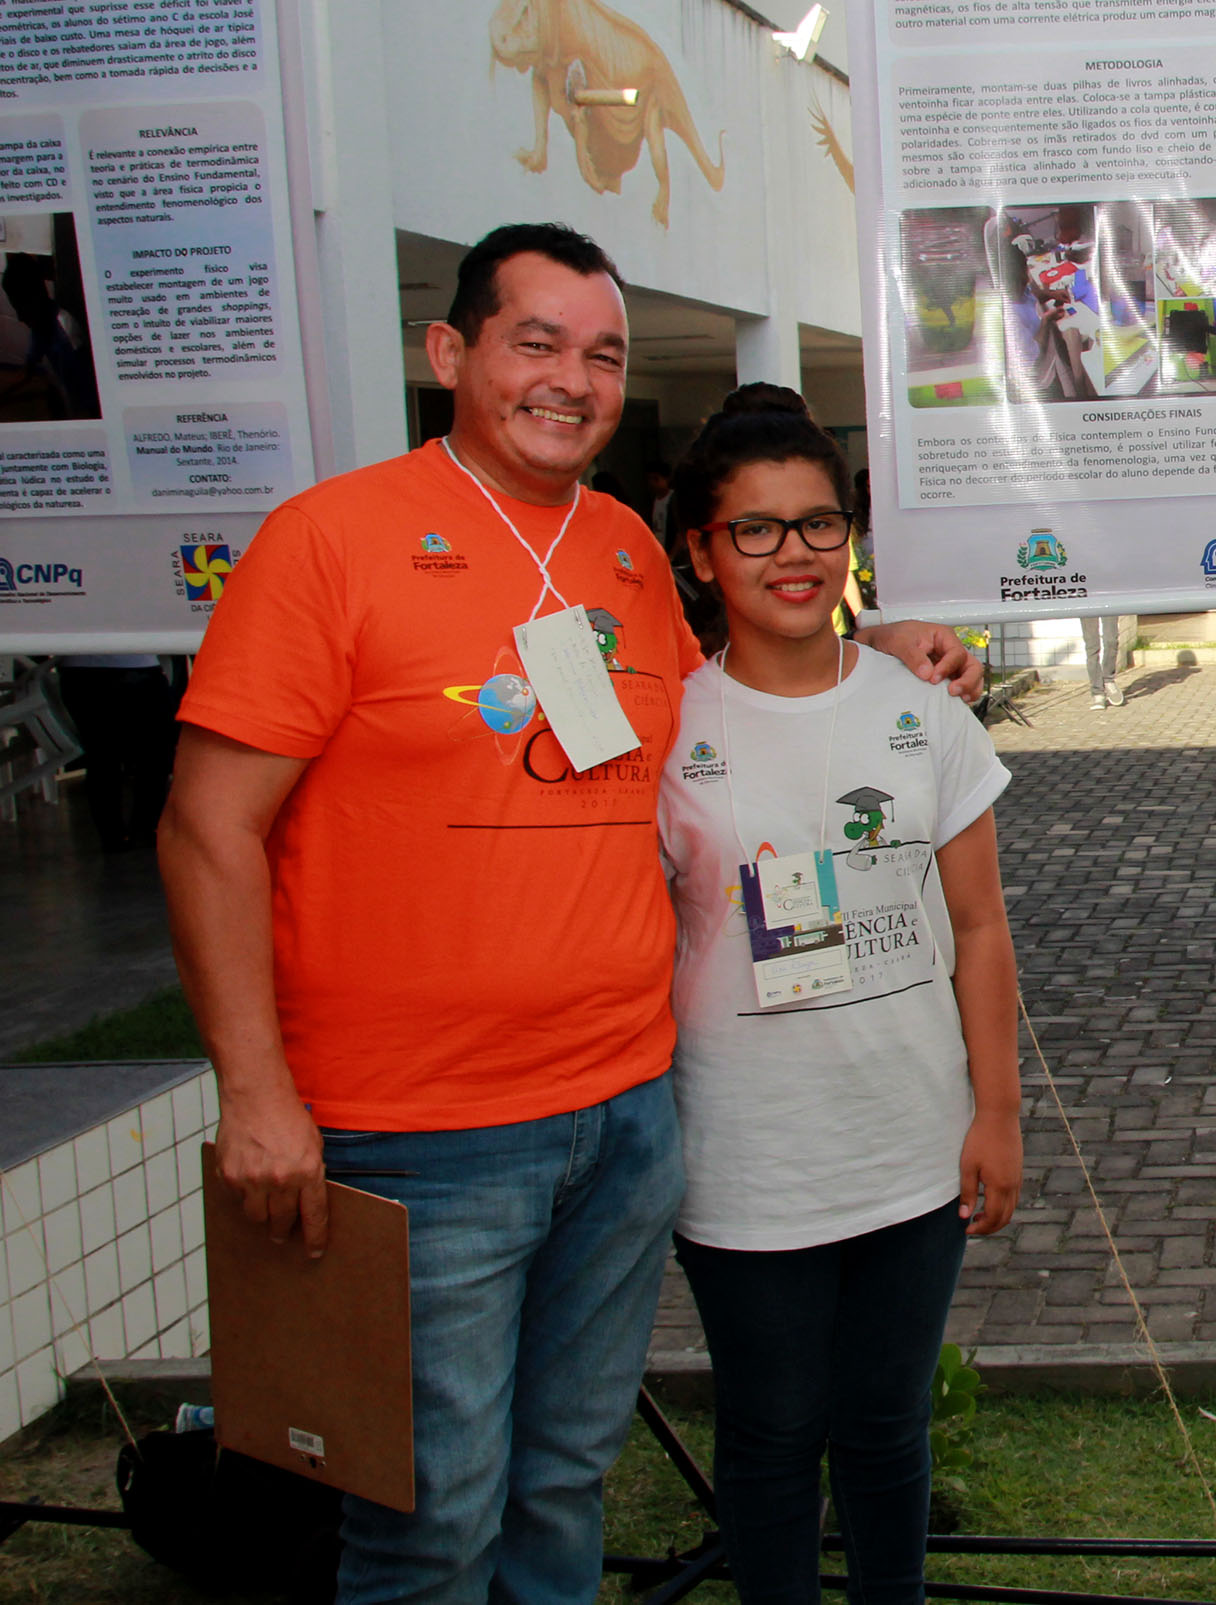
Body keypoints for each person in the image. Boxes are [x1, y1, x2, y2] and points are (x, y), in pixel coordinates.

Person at [157, 221, 977, 1604]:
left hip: (627, 1113)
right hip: (416, 1138)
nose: (574, 379)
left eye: (600, 353)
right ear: (451, 351)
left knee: (561, 1485)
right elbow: (204, 829)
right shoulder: (327, 542)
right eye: (534, 342)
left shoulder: (616, 552)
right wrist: (256, 1089)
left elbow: (729, 683)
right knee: (429, 1517)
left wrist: (880, 640)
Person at [659, 385, 1021, 1605]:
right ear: (703, 552)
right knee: (767, 1439)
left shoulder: (924, 714)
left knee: (884, 1429)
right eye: (754, 529)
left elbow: (979, 926)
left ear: (851, 539)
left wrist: (999, 1113)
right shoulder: (663, 729)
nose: (793, 553)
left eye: (818, 523)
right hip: (745, 1154)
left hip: (909, 1145)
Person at [53, 653, 180, 850]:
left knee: (104, 757)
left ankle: (119, 835)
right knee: (151, 754)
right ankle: (141, 831)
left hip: (83, 670)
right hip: (131, 666)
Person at [1080, 615, 1124, 708]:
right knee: (1092, 646)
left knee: (1111, 641)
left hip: (1107, 601)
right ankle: (1097, 692)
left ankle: (1108, 679)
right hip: (1087, 602)